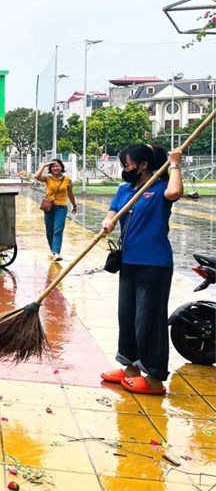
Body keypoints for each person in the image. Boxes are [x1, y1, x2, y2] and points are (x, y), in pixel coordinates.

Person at [100, 144, 183, 395]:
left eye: (127, 164)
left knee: (149, 319)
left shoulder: (158, 189)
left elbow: (176, 191)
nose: (124, 168)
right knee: (127, 316)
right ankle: (130, 368)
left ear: (143, 165)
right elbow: (113, 210)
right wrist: (108, 220)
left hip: (154, 263)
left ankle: (155, 378)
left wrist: (176, 163)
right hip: (129, 262)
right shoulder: (125, 189)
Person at [34, 158, 77, 261]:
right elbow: (36, 176)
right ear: (50, 168)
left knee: (58, 230)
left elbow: (70, 193)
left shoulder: (67, 180)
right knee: (49, 231)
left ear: (61, 167)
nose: (55, 168)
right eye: (53, 166)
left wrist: (74, 205)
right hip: (48, 207)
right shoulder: (47, 179)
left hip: (61, 208)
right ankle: (53, 251)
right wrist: (44, 165)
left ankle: (57, 253)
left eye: (57, 166)